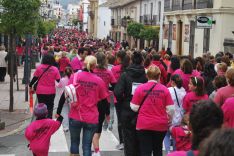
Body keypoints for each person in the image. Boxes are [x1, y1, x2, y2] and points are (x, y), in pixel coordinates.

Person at [56, 56, 109, 156]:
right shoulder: (99, 81)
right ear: (95, 66)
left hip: (76, 115)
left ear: (84, 64)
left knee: (74, 143)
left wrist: (58, 111)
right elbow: (104, 100)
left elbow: (65, 94)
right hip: (91, 117)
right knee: (87, 146)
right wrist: (107, 113)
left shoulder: (75, 76)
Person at [130, 65, 174, 156]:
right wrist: (169, 119)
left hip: (144, 124)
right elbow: (171, 109)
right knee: (158, 149)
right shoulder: (165, 90)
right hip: (160, 124)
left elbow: (134, 107)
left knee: (145, 151)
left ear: (147, 76)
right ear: (159, 76)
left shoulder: (140, 88)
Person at [114, 51, 147, 155]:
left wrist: (123, 101)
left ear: (131, 61)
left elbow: (117, 92)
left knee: (128, 140)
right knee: (142, 140)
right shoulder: (146, 76)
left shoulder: (125, 75)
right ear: (142, 61)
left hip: (128, 108)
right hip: (143, 110)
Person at [92, 52, 117, 156]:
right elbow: (115, 86)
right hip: (103, 101)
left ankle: (95, 148)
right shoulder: (108, 72)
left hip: (91, 101)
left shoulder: (92, 71)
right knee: (98, 126)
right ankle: (96, 149)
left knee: (91, 125)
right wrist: (108, 90)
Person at [29, 54, 61, 119]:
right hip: (51, 91)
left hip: (40, 91)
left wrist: (30, 85)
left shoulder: (39, 67)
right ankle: (49, 119)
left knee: (41, 106)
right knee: (50, 106)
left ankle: (41, 119)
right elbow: (58, 80)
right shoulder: (55, 69)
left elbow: (35, 78)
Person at [112, 50, 130, 150]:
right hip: (128, 98)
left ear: (119, 58)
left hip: (118, 97)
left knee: (120, 120)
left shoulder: (114, 69)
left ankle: (122, 142)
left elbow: (112, 83)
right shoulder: (129, 69)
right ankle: (128, 140)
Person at [164, 74, 186, 154]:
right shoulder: (184, 91)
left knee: (166, 135)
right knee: (175, 136)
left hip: (169, 115)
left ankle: (168, 152)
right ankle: (174, 152)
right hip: (179, 117)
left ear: (172, 81)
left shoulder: (169, 90)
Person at [56, 67, 73, 131]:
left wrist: (55, 82)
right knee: (71, 111)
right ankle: (72, 124)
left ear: (64, 72)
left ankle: (66, 127)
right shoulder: (73, 79)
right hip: (71, 97)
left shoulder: (62, 79)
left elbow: (58, 86)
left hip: (63, 97)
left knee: (64, 112)